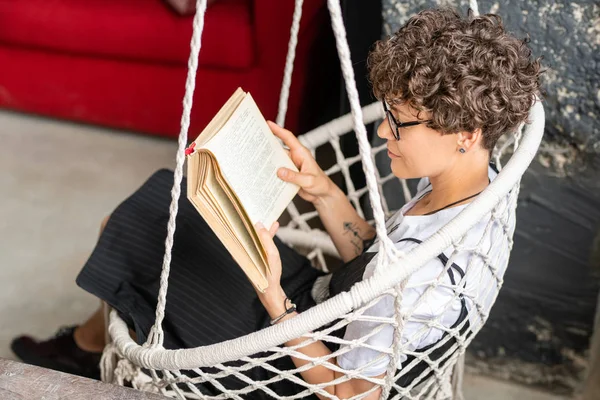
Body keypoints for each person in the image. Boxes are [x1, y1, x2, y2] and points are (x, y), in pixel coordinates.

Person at [11, 8, 541, 399]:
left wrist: (271, 295)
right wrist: (322, 190)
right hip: (320, 305)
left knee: (137, 228)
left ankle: (81, 350)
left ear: (465, 132)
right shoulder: (472, 188)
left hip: (279, 363)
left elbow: (352, 393)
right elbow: (380, 260)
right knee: (168, 197)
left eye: (398, 121)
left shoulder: (427, 281)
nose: (383, 131)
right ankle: (82, 345)